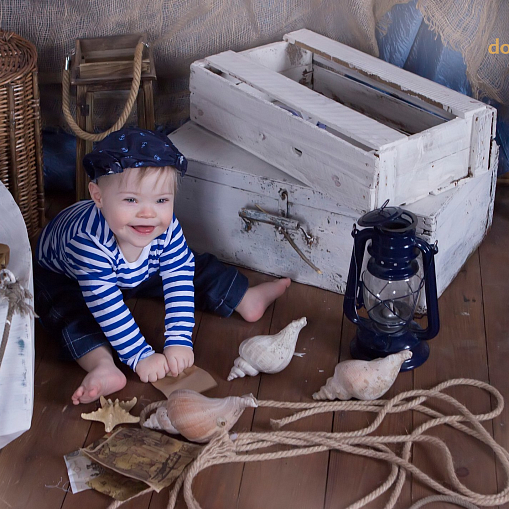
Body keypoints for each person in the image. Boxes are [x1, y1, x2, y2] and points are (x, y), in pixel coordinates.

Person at [35, 128, 290, 405]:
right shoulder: (88, 243)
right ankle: (102, 365)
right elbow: (106, 305)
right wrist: (139, 355)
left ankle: (242, 296)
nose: (148, 213)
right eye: (131, 200)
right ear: (98, 197)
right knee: (70, 315)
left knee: (193, 265)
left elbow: (179, 277)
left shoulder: (161, 228)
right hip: (65, 277)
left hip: (132, 271)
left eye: (161, 201)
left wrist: (179, 338)